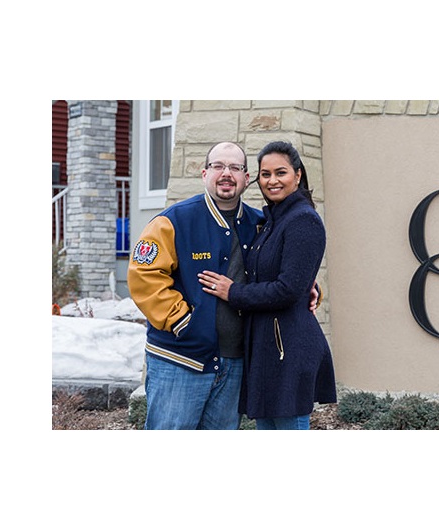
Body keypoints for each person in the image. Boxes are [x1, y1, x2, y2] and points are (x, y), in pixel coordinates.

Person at [128, 141, 317, 430]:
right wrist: (181, 321)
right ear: (204, 173)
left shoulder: (259, 223)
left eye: (235, 168)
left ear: (246, 178)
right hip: (181, 361)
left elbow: (282, 266)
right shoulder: (173, 221)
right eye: (218, 166)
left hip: (235, 365)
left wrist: (307, 284)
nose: (226, 173)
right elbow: (144, 275)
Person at [198, 141, 336, 430]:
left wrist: (232, 291)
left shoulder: (303, 220)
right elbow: (285, 275)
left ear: (298, 175)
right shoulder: (272, 220)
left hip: (288, 350)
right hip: (266, 349)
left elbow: (287, 289)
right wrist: (310, 283)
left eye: (281, 173)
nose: (272, 181)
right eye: (265, 174)